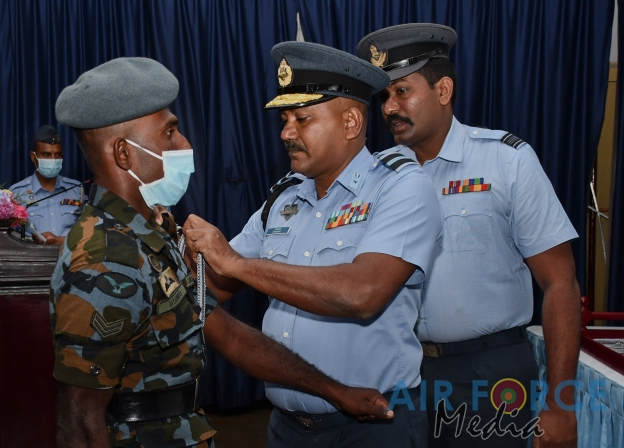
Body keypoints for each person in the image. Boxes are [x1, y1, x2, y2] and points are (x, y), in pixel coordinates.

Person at [50, 57, 394, 448]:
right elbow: (79, 422)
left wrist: (335, 391)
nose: (185, 145)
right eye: (170, 133)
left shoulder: (148, 237)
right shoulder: (104, 256)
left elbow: (226, 334)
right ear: (124, 154)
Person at [183, 42, 441, 447]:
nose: (286, 133)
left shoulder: (400, 188)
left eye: (302, 119)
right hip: (287, 428)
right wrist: (179, 248)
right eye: (285, 120)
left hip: (373, 427)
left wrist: (236, 264)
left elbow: (363, 293)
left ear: (351, 122)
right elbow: (210, 287)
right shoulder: (283, 197)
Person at [358, 23, 580, 448]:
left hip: (488, 373)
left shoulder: (507, 161)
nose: (389, 108)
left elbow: (561, 284)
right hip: (399, 372)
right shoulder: (375, 175)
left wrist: (559, 404)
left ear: (443, 90)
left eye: (402, 91)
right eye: (384, 96)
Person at [9, 125, 84, 244]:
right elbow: (11, 237)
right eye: (46, 154)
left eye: (57, 155)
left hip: (69, 254)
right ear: (33, 157)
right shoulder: (17, 192)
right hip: (32, 254)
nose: (53, 160)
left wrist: (59, 241)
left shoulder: (76, 190)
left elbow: (89, 233)